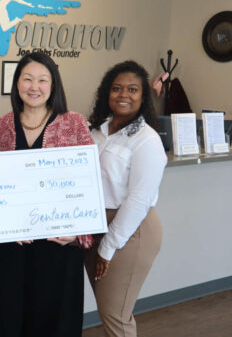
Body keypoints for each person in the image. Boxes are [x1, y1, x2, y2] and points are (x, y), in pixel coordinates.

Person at [0, 52, 94, 337]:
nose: (34, 87)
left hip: (57, 249)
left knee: (52, 324)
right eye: (27, 79)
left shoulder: (75, 123)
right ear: (17, 84)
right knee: (4, 320)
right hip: (10, 249)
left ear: (53, 85)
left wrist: (79, 232)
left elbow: (91, 184)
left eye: (43, 80)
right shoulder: (0, 126)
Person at [85, 60, 167, 337]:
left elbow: (139, 200)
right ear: (106, 93)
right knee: (108, 309)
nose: (123, 95)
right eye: (117, 88)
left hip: (131, 230)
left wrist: (108, 246)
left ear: (143, 97)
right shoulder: (96, 131)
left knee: (115, 315)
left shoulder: (147, 139)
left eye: (132, 89)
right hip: (95, 227)